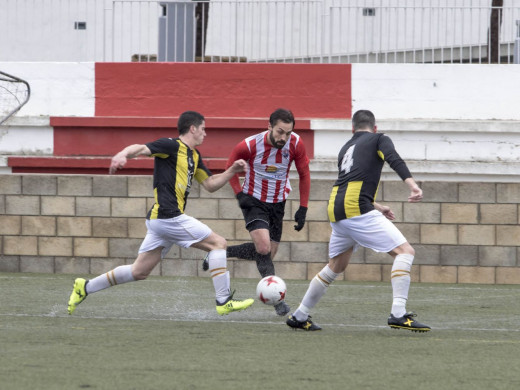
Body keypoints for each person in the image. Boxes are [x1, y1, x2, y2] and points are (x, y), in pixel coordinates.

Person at [67, 111, 254, 316]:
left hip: (160, 221)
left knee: (138, 272)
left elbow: (210, 185)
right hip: (169, 216)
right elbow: (141, 148)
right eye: (203, 129)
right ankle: (224, 300)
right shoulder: (171, 145)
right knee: (219, 243)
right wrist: (123, 154)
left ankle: (84, 287)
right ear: (193, 128)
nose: (205, 134)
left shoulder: (195, 155)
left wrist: (232, 171)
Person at [286, 109, 430, 332]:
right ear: (375, 128)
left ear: (352, 129)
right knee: (405, 252)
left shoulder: (346, 148)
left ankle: (299, 315)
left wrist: (378, 206)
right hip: (355, 209)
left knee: (336, 266)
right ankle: (398, 314)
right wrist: (412, 185)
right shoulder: (379, 139)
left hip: (336, 208)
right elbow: (393, 159)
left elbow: (351, 184)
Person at [202, 108, 310, 316]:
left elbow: (304, 174)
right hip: (254, 200)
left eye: (288, 133)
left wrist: (303, 207)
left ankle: (219, 253)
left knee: (268, 253)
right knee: (263, 247)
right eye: (280, 132)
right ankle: (277, 301)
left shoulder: (296, 143)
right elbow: (230, 168)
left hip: (279, 202)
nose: (283, 138)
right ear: (269, 126)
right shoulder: (249, 145)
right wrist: (239, 194)